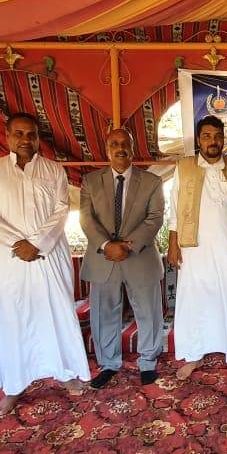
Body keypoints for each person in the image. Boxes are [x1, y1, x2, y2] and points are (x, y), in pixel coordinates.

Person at [0, 112, 90, 414]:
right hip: (10, 258)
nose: (25, 139)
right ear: (7, 136)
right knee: (13, 318)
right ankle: (14, 386)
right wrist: (18, 243)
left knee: (57, 312)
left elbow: (61, 210)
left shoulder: (54, 170)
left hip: (48, 254)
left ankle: (66, 373)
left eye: (31, 134)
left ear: (38, 138)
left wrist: (36, 243)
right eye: (19, 133)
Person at [167, 115, 227, 380]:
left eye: (218, 136)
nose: (213, 141)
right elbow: (174, 209)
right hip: (194, 247)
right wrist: (173, 244)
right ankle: (193, 354)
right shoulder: (184, 167)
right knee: (195, 300)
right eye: (207, 136)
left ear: (224, 140)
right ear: (198, 139)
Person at [79, 129, 166, 388]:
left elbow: (155, 218)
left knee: (148, 312)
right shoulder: (90, 181)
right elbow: (86, 218)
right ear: (107, 149)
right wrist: (107, 245)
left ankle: (148, 362)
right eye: (114, 144)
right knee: (104, 313)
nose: (120, 148)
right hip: (103, 257)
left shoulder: (151, 181)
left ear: (132, 148)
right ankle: (109, 363)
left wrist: (128, 245)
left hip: (140, 256)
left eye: (125, 143)